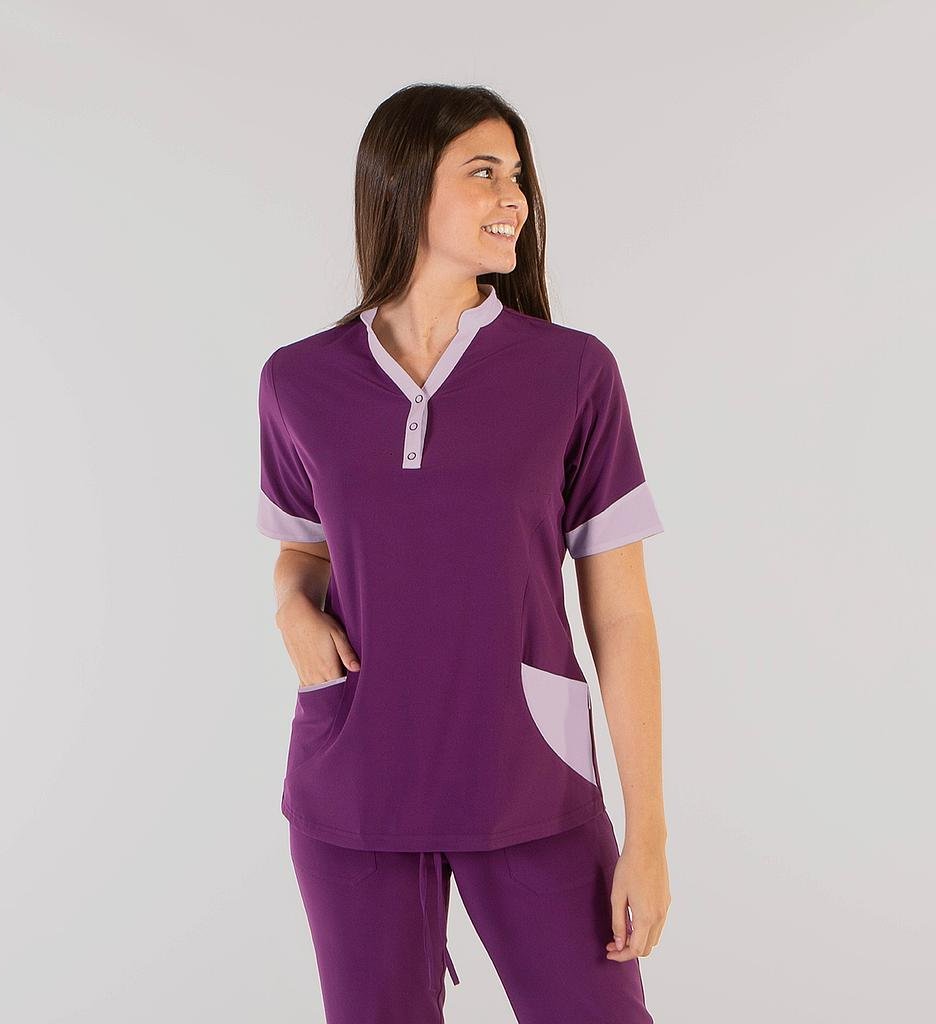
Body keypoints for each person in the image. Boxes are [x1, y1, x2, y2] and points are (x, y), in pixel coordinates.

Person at [256, 83, 670, 1024]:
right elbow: (303, 552)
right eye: (484, 172)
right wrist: (290, 608)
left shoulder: (572, 372)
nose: (513, 197)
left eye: (517, 175)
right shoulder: (299, 380)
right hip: (356, 782)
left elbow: (620, 611)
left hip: (529, 778)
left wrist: (647, 833)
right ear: (404, 186)